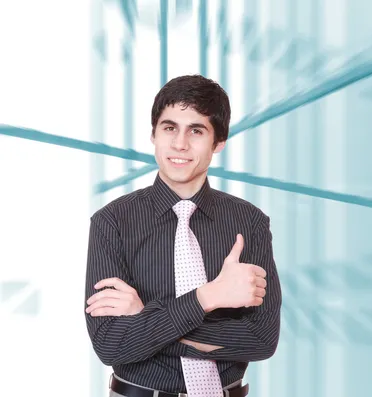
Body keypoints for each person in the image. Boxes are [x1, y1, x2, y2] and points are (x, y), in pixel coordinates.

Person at [84, 74, 282, 397]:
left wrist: (145, 316)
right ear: (153, 134)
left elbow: (261, 340)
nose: (179, 144)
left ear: (219, 142)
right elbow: (111, 344)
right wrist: (211, 296)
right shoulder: (111, 223)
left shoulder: (250, 223)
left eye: (196, 130)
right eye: (169, 127)